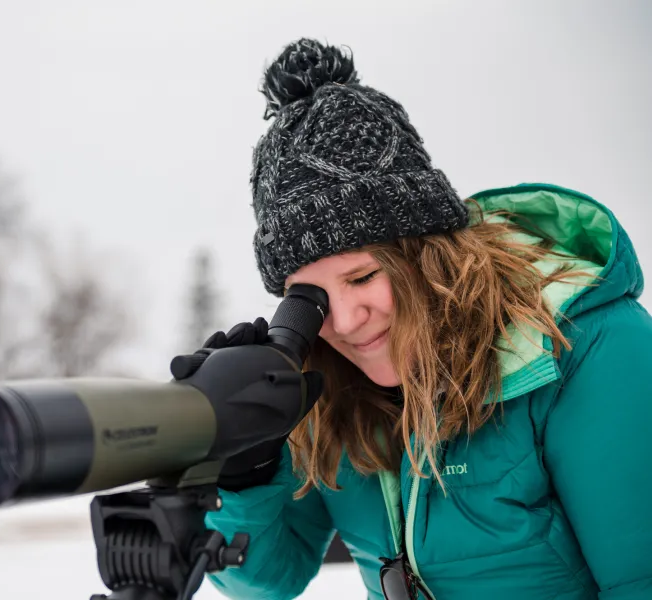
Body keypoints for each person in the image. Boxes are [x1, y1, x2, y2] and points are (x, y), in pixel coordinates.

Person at [180, 38, 652, 600]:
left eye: (361, 278)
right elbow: (267, 580)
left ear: (426, 256)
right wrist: (242, 469)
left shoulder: (591, 349)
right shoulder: (330, 385)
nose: (348, 321)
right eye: (311, 299)